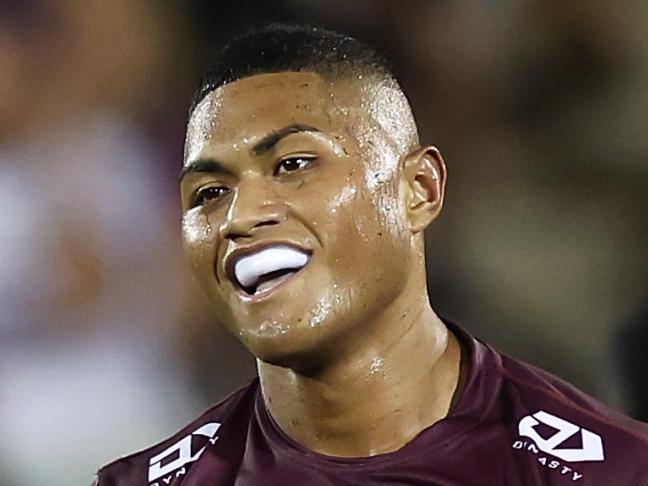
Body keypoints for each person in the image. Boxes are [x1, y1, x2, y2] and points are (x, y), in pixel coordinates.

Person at [95, 24, 648, 486]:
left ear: (419, 189)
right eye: (209, 194)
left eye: (292, 165)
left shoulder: (612, 472)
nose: (239, 217)